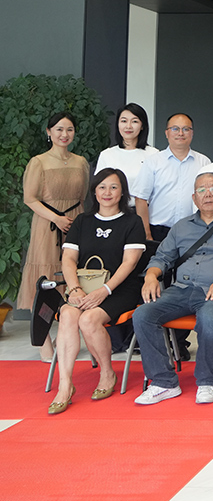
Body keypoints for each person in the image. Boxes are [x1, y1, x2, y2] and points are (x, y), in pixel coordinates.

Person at [130, 173, 213, 405]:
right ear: (194, 197)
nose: (208, 194)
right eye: (201, 190)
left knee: (208, 318)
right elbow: (161, 258)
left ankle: (207, 380)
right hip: (181, 289)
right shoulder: (182, 226)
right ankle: (164, 383)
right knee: (142, 314)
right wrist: (150, 276)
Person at [48, 169, 146, 415]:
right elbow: (69, 259)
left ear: (122, 191)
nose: (107, 192)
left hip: (120, 289)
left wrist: (105, 290)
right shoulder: (82, 221)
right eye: (102, 187)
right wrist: (74, 289)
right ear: (94, 191)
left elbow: (130, 263)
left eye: (113, 187)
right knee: (69, 314)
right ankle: (65, 385)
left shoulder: (132, 222)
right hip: (83, 287)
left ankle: (107, 373)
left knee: (89, 319)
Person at [18, 112, 90, 361]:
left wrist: (75, 222)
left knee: (74, 275)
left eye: (69, 129)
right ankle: (43, 340)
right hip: (47, 225)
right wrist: (56, 218)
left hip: (75, 222)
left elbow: (83, 197)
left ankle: (66, 335)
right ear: (49, 132)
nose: (64, 134)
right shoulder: (38, 162)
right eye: (59, 129)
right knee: (45, 278)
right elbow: (30, 199)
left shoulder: (81, 162)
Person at [131, 112, 211, 242]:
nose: (180, 133)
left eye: (186, 129)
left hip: (194, 231)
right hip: (158, 232)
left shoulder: (204, 162)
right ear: (167, 133)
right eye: (175, 129)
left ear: (192, 133)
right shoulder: (153, 162)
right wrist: (147, 233)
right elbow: (140, 198)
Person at [94, 102, 159, 187]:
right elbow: (99, 187)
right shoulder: (106, 155)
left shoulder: (153, 154)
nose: (128, 126)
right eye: (124, 121)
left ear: (142, 126)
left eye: (134, 121)